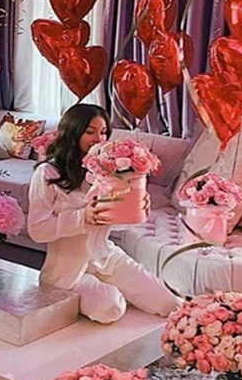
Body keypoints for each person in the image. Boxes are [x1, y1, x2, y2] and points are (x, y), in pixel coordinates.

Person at [27, 103, 178, 324]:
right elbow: (37, 230)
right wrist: (82, 218)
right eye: (90, 132)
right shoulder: (47, 173)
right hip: (67, 270)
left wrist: (137, 206)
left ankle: (110, 287)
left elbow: (114, 219)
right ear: (73, 131)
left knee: (168, 303)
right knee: (111, 308)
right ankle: (101, 291)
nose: (99, 139)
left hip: (106, 258)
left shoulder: (108, 170)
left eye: (104, 132)